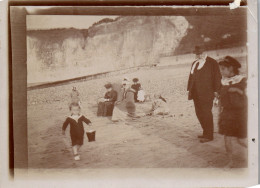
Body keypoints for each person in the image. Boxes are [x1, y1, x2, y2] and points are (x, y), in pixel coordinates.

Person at [187, 46, 221, 143]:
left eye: (200, 53)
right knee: (199, 113)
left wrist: (216, 90)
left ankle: (209, 135)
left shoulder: (212, 62)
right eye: (197, 53)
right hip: (195, 93)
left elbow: (217, 77)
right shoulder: (194, 63)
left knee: (206, 113)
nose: (199, 55)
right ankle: (205, 132)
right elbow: (191, 77)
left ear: (204, 52)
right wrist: (189, 89)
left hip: (207, 93)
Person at [218, 56, 247, 167]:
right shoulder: (223, 81)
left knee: (241, 140)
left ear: (231, 68)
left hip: (240, 113)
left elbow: (248, 96)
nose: (221, 71)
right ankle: (230, 161)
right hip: (226, 113)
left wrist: (236, 90)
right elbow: (221, 97)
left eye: (223, 69)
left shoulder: (242, 80)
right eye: (220, 69)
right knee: (227, 138)